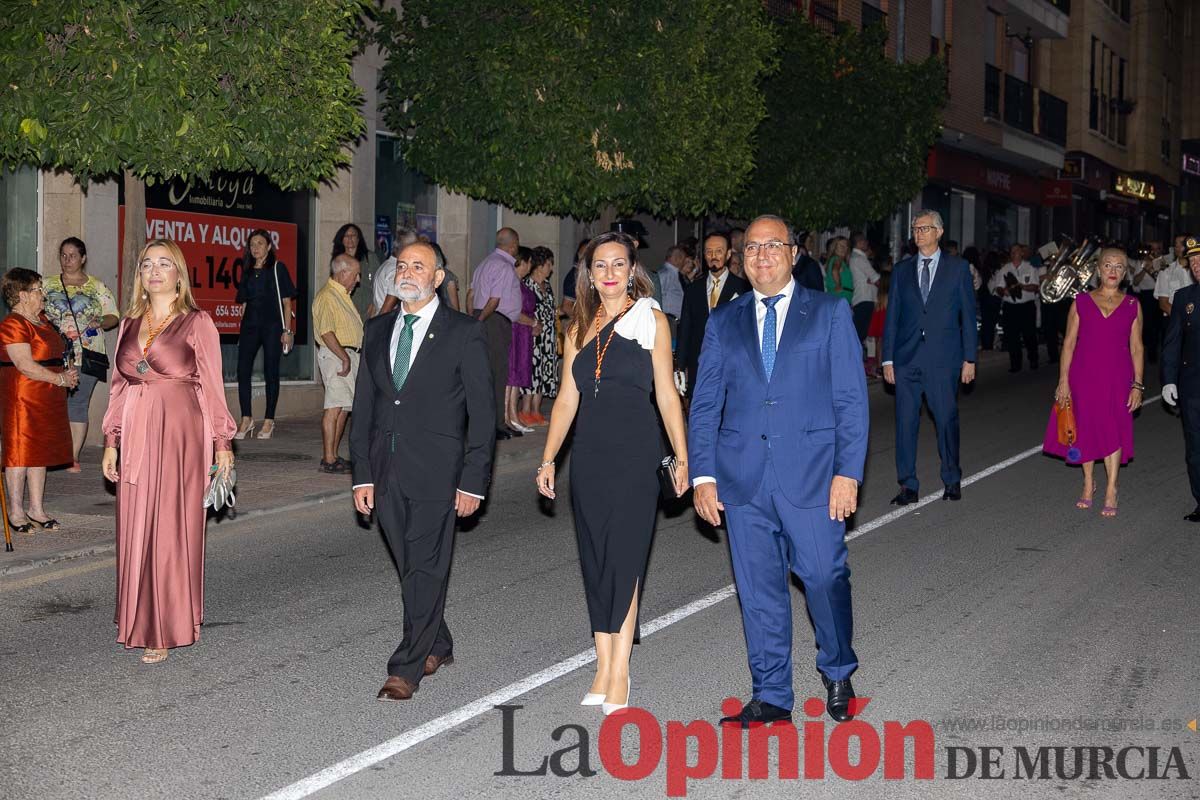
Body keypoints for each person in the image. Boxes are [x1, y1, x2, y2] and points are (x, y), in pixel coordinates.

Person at [689, 215, 869, 725]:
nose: (761, 255)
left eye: (773, 246)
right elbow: (705, 405)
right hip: (742, 478)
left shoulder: (829, 313)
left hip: (813, 476)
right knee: (759, 589)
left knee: (823, 573)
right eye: (751, 249)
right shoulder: (725, 321)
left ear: (794, 253)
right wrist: (704, 475)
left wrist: (848, 473)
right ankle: (771, 694)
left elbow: (852, 401)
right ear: (742, 262)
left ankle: (837, 667)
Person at [536, 232, 689, 716]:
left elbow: (666, 393)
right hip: (590, 458)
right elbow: (566, 398)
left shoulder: (652, 320)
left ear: (632, 269)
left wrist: (683, 456)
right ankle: (601, 664)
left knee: (624, 558)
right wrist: (547, 459)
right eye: (599, 265)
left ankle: (620, 669)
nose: (608, 273)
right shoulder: (576, 325)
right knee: (595, 559)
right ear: (588, 273)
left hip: (637, 455)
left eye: (618, 264)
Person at [350, 241, 494, 701]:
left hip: (439, 472)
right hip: (385, 468)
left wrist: (473, 479)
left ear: (438, 279)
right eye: (402, 265)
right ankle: (440, 641)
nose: (407, 272)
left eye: (419, 266)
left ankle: (406, 666)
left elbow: (484, 415)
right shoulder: (375, 330)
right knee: (413, 565)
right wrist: (362, 473)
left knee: (425, 564)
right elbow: (365, 407)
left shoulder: (464, 332)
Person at [100, 240, 235, 664]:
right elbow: (119, 387)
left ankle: (165, 625)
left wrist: (222, 442)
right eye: (146, 265)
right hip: (137, 435)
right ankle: (136, 619)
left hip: (180, 438)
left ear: (179, 274)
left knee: (171, 530)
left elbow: (213, 387)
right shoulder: (128, 324)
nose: (154, 271)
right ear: (139, 275)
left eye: (164, 264)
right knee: (136, 526)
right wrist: (111, 441)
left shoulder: (198, 322)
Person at [882, 210, 977, 505]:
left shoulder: (958, 269)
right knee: (905, 423)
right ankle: (908, 485)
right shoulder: (901, 271)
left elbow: (968, 316)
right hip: (907, 359)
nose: (918, 233)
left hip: (943, 359)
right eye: (915, 228)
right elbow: (893, 318)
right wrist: (887, 359)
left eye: (924, 228)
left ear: (939, 231)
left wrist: (969, 358)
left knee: (946, 419)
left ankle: (951, 478)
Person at [1043, 248, 1144, 517]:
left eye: (1119, 266)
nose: (1113, 270)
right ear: (1098, 269)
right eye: (1108, 265)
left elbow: (1137, 348)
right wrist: (1063, 380)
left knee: (1114, 427)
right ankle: (1089, 483)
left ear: (1125, 273)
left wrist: (1138, 384)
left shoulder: (1133, 305)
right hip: (1083, 376)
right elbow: (1068, 344)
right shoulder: (1081, 302)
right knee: (1084, 429)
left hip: (1118, 377)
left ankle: (1112, 487)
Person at [0, 268, 78, 532]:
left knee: (39, 452)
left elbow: (54, 353)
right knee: (20, 453)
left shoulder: (43, 320)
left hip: (47, 392)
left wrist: (66, 372)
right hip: (24, 395)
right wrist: (59, 380)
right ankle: (16, 511)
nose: (42, 294)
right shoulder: (13, 324)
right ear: (22, 295)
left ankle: (36, 508)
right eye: (37, 289)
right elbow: (24, 364)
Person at [42, 237, 119, 471]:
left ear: (83, 258)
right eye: (63, 255)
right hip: (53, 353)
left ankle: (71, 456)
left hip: (87, 353)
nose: (67, 260)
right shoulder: (47, 285)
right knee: (51, 402)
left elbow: (113, 315)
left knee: (77, 402)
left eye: (72, 255)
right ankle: (51, 451)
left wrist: (101, 321)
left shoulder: (96, 287)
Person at [233, 229, 296, 441]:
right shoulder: (248, 270)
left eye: (260, 243)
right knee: (242, 370)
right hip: (250, 325)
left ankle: (269, 419)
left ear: (269, 246)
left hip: (272, 326)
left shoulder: (278, 269)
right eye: (252, 244)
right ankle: (246, 418)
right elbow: (243, 301)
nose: (256, 248)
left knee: (271, 371)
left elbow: (287, 303)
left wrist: (287, 331)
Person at [471, 228, 532, 440]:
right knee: (498, 375)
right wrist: (479, 322)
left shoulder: (483, 264)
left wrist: (474, 318)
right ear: (513, 246)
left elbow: (471, 294)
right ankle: (497, 424)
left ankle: (486, 422)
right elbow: (494, 300)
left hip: (484, 317)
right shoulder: (505, 267)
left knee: (485, 374)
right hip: (494, 321)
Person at [676, 232, 750, 398]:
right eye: (709, 252)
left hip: (732, 365)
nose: (713, 256)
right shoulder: (693, 289)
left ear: (728, 254)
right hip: (699, 364)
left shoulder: (743, 289)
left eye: (718, 251)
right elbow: (685, 329)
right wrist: (680, 366)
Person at [1160, 236, 1200, 521]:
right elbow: (1172, 341)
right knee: (1195, 447)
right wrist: (1169, 379)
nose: (1197, 266)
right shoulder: (1185, 298)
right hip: (1192, 385)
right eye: (1193, 262)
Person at [312, 253, 364, 473]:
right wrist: (343, 357)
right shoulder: (327, 296)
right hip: (336, 356)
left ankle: (333, 455)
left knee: (343, 407)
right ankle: (328, 459)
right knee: (334, 407)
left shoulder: (341, 295)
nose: (358, 279)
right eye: (356, 274)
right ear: (343, 273)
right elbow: (326, 332)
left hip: (346, 355)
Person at [520, 247, 558, 426]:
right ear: (540, 265)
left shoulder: (547, 286)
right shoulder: (527, 284)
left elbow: (549, 309)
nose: (551, 268)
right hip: (533, 336)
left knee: (544, 373)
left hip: (547, 337)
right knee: (532, 372)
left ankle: (536, 411)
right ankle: (525, 411)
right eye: (549, 264)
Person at [991, 244, 1040, 372]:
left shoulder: (1030, 268)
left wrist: (1022, 287)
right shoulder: (1005, 269)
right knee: (1012, 336)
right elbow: (998, 287)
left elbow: (1035, 286)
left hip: (1026, 306)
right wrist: (1004, 291)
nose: (1014, 254)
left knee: (1029, 335)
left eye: (1017, 251)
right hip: (1010, 307)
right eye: (1012, 251)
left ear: (1022, 253)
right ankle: (1015, 364)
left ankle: (1033, 359)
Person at [505, 247, 538, 434]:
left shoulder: (521, 283)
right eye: (529, 262)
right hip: (514, 330)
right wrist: (533, 322)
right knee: (511, 372)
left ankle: (513, 414)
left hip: (523, 333)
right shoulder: (511, 282)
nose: (531, 266)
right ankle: (507, 415)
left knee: (519, 373)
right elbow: (513, 312)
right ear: (522, 262)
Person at [369, 227, 419, 318]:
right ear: (406, 248)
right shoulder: (396, 271)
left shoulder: (386, 265)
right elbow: (386, 309)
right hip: (386, 323)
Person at [848, 233, 880, 344]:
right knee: (860, 332)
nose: (867, 243)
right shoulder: (859, 258)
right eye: (864, 241)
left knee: (861, 332)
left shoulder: (858, 257)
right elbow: (875, 278)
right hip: (864, 298)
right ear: (859, 242)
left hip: (863, 298)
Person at [1155, 234, 1194, 317]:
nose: (1178, 247)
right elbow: (1163, 304)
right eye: (1176, 244)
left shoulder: (1196, 270)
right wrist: (1183, 319)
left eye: (1182, 243)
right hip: (1174, 321)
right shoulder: (1166, 271)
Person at [658, 245, 686, 321]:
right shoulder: (665, 274)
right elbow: (656, 296)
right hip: (669, 319)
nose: (683, 263)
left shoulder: (674, 274)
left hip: (674, 320)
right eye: (683, 259)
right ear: (677, 258)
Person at [823, 237, 854, 304]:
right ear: (834, 247)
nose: (845, 248)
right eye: (841, 246)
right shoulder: (837, 259)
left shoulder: (834, 259)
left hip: (838, 298)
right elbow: (834, 271)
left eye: (846, 246)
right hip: (841, 297)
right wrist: (838, 285)